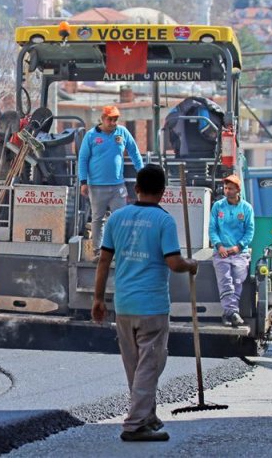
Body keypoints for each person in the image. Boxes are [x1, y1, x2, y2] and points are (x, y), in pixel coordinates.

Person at [92, 164, 198, 443]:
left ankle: (147, 416)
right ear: (163, 193)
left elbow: (104, 261)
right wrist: (192, 264)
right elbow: (174, 263)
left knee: (136, 366)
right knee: (149, 365)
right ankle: (135, 425)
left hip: (124, 305)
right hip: (152, 305)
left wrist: (98, 298)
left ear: (135, 188)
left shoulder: (117, 218)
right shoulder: (164, 221)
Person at [78, 105, 144, 259]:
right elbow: (83, 159)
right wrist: (83, 181)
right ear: (102, 119)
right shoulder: (91, 136)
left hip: (117, 185)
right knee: (98, 218)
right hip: (96, 186)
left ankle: (120, 250)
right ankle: (98, 250)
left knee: (121, 218)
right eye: (110, 119)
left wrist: (142, 171)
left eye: (116, 119)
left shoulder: (122, 133)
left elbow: (134, 152)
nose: (113, 122)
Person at [208, 174, 254, 327]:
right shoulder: (218, 206)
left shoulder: (246, 208)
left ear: (238, 190)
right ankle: (232, 312)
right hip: (222, 252)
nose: (227, 191)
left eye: (231, 189)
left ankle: (228, 314)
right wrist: (219, 245)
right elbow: (212, 229)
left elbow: (250, 231)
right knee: (226, 281)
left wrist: (238, 247)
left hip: (240, 253)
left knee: (237, 281)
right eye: (226, 188)